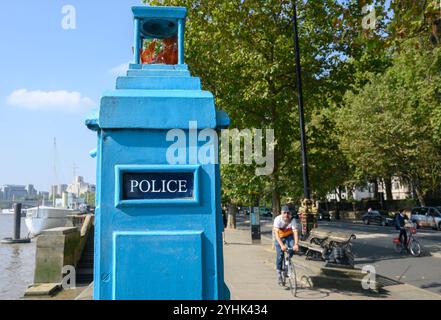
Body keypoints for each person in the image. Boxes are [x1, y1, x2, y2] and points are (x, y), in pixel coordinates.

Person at [274, 205, 299, 286]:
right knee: (280, 255)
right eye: (284, 213)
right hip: (280, 237)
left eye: (288, 213)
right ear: (281, 213)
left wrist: (296, 244)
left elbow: (295, 232)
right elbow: (276, 235)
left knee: (292, 249)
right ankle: (278, 272)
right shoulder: (277, 219)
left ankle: (287, 264)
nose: (286, 215)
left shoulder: (292, 220)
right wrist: (281, 245)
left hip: (288, 236)